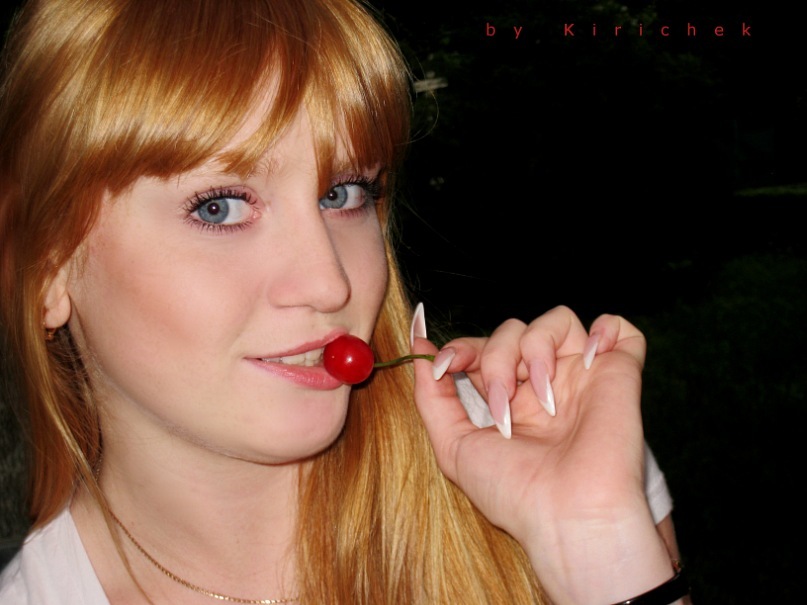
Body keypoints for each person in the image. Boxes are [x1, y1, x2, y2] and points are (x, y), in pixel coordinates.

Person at [0, 0, 689, 603]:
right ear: (47, 269)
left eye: (343, 194)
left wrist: (595, 543)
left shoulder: (530, 454)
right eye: (219, 206)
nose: (330, 282)